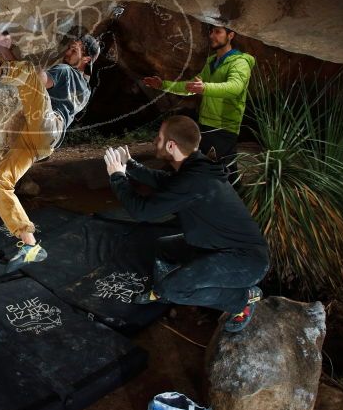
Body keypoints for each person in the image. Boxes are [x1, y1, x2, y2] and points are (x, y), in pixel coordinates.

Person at [103, 115, 269, 332]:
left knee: (173, 289)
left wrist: (117, 177)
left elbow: (141, 211)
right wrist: (130, 166)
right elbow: (165, 181)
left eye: (159, 138)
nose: (155, 141)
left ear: (171, 145)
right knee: (164, 247)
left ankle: (242, 299)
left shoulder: (194, 180)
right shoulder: (196, 167)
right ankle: (164, 291)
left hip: (244, 261)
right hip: (219, 247)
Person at [0, 30, 100, 272]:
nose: (67, 52)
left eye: (74, 50)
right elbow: (28, 85)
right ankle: (31, 246)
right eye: (69, 47)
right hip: (40, 140)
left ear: (87, 59)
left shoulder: (66, 71)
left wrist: (6, 52)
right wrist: (6, 49)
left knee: (29, 70)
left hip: (48, 125)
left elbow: (36, 78)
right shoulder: (86, 90)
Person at [143, 26, 255, 183]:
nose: (212, 36)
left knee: (224, 174)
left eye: (217, 32)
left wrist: (205, 88)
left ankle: (234, 203)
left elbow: (235, 88)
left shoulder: (240, 62)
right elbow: (190, 87)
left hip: (223, 128)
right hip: (206, 125)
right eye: (211, 32)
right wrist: (162, 85)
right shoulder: (212, 62)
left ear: (230, 35)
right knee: (207, 170)